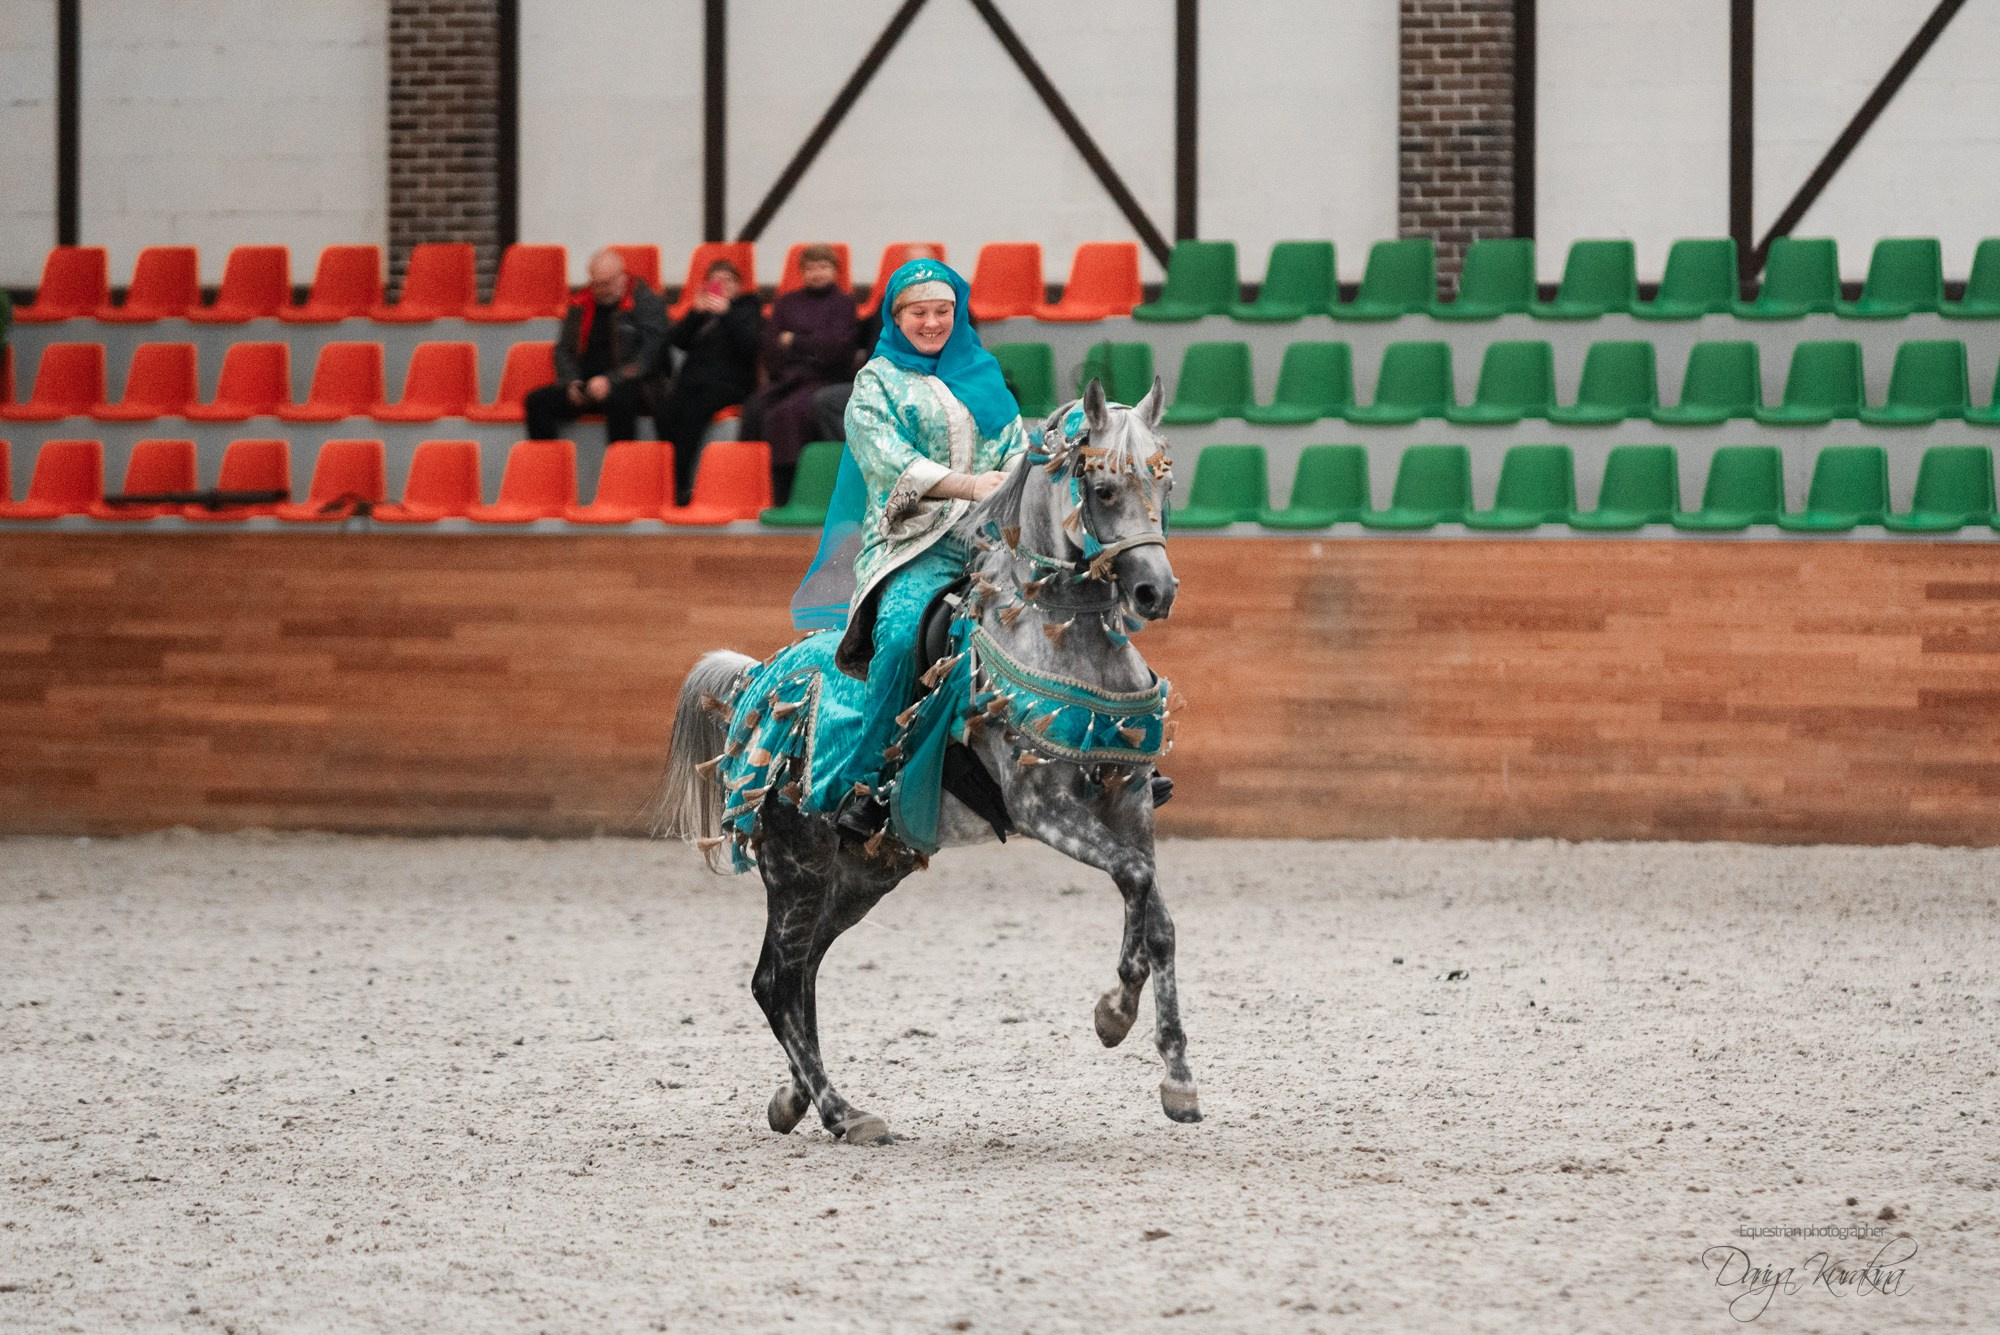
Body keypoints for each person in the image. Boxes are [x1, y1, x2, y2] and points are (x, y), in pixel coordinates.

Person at [823, 258, 1030, 837]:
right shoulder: (876, 383)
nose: (933, 321)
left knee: (1078, 600)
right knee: (897, 640)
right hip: (918, 544)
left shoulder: (984, 373)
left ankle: (1109, 753)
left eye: (943, 311)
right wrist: (969, 487)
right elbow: (887, 460)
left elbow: (1016, 445)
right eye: (919, 312)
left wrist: (1015, 477)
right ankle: (870, 785)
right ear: (896, 316)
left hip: (995, 541)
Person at [740, 244, 858, 503]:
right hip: (787, 377)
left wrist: (794, 342)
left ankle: (788, 493)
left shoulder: (843, 304)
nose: (817, 273)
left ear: (835, 271)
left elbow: (839, 348)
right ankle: (750, 488)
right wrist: (810, 346)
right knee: (754, 407)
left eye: (824, 267)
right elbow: (771, 345)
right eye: (811, 268)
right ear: (802, 272)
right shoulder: (787, 302)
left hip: (825, 378)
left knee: (789, 413)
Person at [525, 249, 666, 445]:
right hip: (586, 384)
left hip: (631, 383)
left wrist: (611, 380)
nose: (600, 290)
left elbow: (651, 356)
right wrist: (571, 381)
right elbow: (563, 350)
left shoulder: (646, 302)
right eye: (596, 284)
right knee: (536, 402)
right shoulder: (581, 303)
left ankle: (620, 471)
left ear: (622, 277)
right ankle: (548, 469)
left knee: (620, 402)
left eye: (606, 283)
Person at [808, 243, 945, 443]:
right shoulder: (889, 303)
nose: (918, 271)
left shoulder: (952, 308)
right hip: (882, 383)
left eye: (925, 265)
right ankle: (867, 456)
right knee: (826, 401)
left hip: (925, 385)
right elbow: (866, 341)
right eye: (910, 265)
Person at [654, 257, 762, 503]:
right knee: (666, 411)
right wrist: (694, 313)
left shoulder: (747, 307)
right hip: (693, 382)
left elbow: (750, 345)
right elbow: (676, 341)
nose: (721, 285)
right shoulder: (702, 314)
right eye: (715, 281)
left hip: (730, 384)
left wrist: (726, 314)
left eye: (727, 280)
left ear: (738, 285)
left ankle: (680, 484)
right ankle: (667, 481)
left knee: (694, 413)